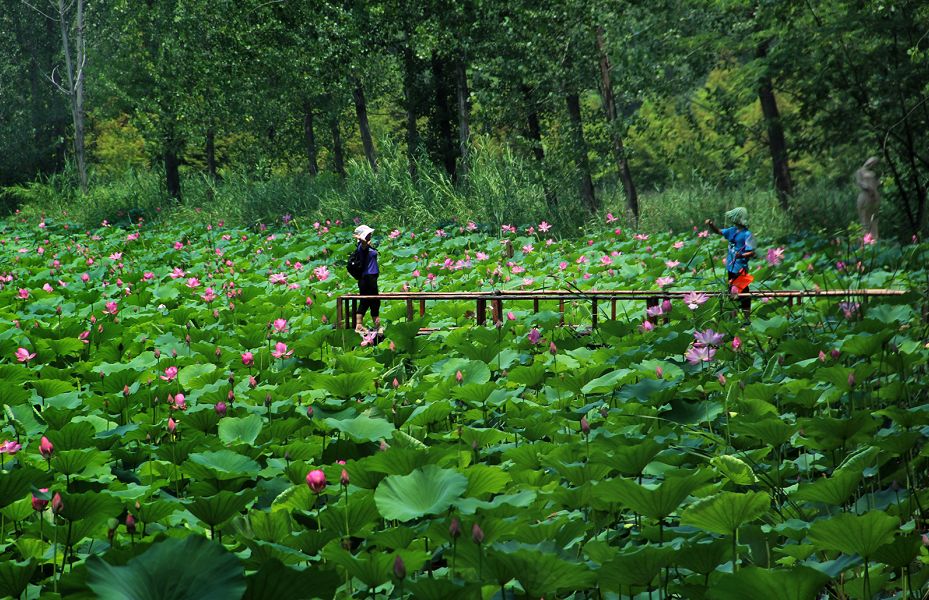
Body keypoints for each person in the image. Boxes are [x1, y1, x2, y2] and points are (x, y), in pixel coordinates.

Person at [705, 207, 756, 321]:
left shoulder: (748, 234)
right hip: (730, 267)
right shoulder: (732, 230)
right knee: (732, 294)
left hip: (741, 268)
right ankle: (733, 320)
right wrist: (711, 224)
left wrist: (741, 255)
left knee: (744, 294)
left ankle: (747, 319)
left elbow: (752, 252)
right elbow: (719, 231)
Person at [352, 224, 382, 334]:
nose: (370, 235)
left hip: (370, 277)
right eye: (368, 233)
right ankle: (376, 326)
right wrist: (363, 240)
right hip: (368, 278)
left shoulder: (367, 247)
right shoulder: (362, 246)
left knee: (366, 301)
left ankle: (359, 325)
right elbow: (364, 245)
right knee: (374, 301)